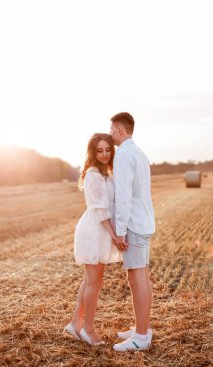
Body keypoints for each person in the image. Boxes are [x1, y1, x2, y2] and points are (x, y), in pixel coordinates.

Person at [63, 133, 123, 346]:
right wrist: (114, 235)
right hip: (94, 230)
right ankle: (88, 329)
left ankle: (74, 324)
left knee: (90, 281)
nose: (105, 154)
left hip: (99, 230)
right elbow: (100, 210)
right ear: (93, 152)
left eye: (108, 149)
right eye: (100, 150)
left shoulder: (104, 172)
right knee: (94, 283)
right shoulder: (93, 174)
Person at [110, 112, 155, 352]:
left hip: (133, 226)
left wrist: (119, 231)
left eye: (111, 130)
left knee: (137, 278)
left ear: (119, 130)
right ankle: (143, 327)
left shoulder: (124, 154)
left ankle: (141, 337)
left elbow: (123, 196)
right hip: (143, 222)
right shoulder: (139, 153)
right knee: (140, 276)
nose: (110, 135)